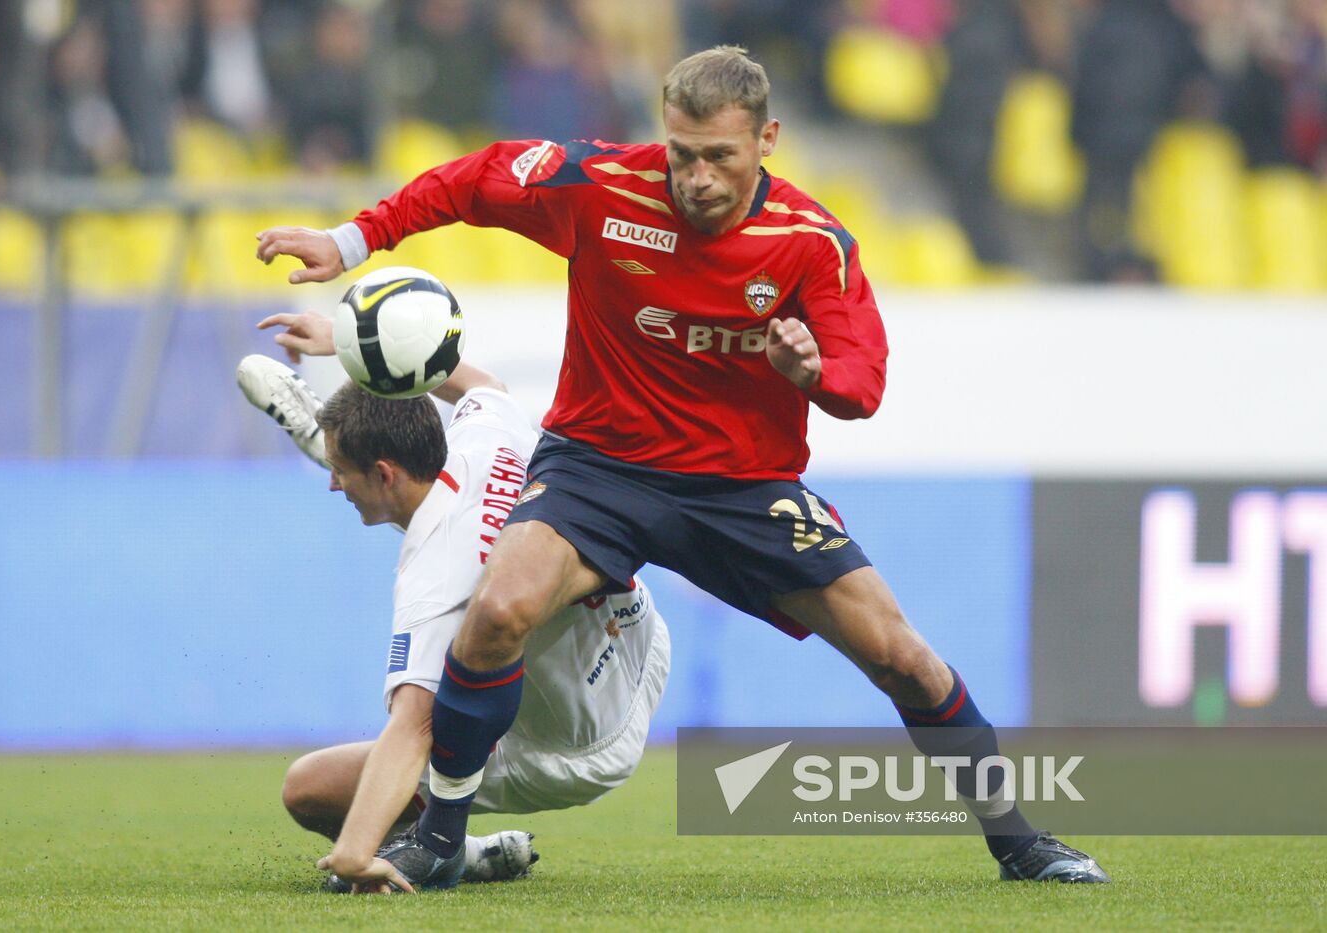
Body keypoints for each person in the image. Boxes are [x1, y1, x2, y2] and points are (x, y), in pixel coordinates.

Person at [255, 45, 1108, 885]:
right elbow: (479, 178)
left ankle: (1019, 842)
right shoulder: (601, 188)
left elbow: (864, 381)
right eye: (682, 154)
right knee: (498, 609)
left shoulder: (812, 244)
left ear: (766, 140)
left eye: (720, 158)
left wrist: (814, 377)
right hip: (598, 467)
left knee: (902, 657)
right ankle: (440, 838)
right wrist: (355, 237)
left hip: (743, 487)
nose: (696, 177)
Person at [237, 347, 670, 893]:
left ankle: (444, 850)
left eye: (340, 471)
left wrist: (352, 850)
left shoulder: (433, 580)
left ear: (384, 472)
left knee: (309, 789)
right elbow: (480, 381)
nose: (332, 485)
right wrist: (356, 342)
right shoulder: (482, 433)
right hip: (639, 637)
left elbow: (415, 724)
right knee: (481, 561)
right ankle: (474, 852)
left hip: (577, 746)